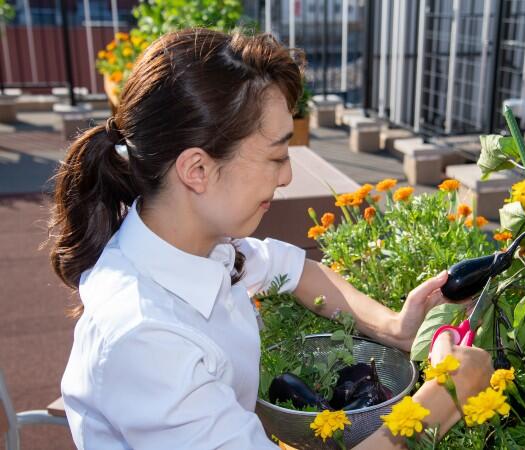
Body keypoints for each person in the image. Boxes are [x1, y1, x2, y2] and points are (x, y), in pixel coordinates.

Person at [49, 28, 492, 449]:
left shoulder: (198, 244)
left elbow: (291, 269)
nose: (288, 175)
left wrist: (394, 326)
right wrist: (448, 397)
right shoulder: (145, 339)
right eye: (277, 155)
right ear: (197, 170)